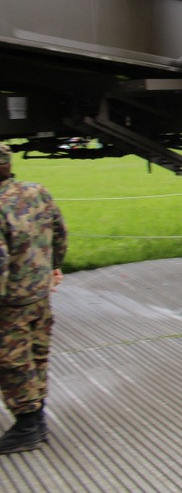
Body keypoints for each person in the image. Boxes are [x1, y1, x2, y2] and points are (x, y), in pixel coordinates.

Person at [0, 143, 66, 454]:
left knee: (12, 362)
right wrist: (54, 266)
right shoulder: (36, 190)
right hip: (39, 294)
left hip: (9, 302)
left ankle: (27, 423)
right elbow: (59, 231)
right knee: (37, 355)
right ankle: (35, 418)